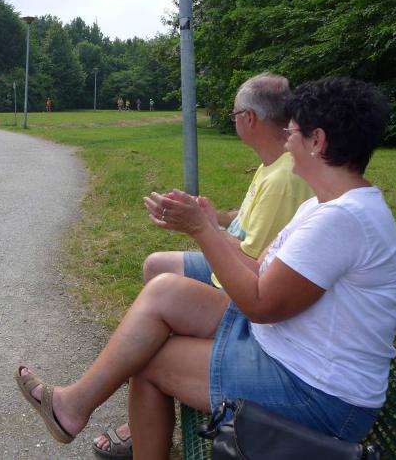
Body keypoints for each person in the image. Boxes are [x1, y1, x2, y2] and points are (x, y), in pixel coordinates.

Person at [16, 77, 396, 460]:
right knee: (165, 290)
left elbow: (260, 304)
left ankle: (72, 409)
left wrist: (202, 230)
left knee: (150, 363)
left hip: (318, 393)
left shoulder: (342, 220)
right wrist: (210, 226)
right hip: (291, 350)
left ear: (317, 141)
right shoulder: (324, 205)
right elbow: (259, 269)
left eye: (292, 132)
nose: (286, 141)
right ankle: (72, 406)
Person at [93, 73, 314, 457]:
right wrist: (216, 218)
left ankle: (142, 398)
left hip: (245, 292)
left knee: (159, 309)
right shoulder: (272, 166)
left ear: (249, 118)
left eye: (234, 114)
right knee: (156, 266)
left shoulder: (284, 178)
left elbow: (253, 267)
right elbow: (248, 225)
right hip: (246, 281)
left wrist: (201, 228)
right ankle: (144, 411)